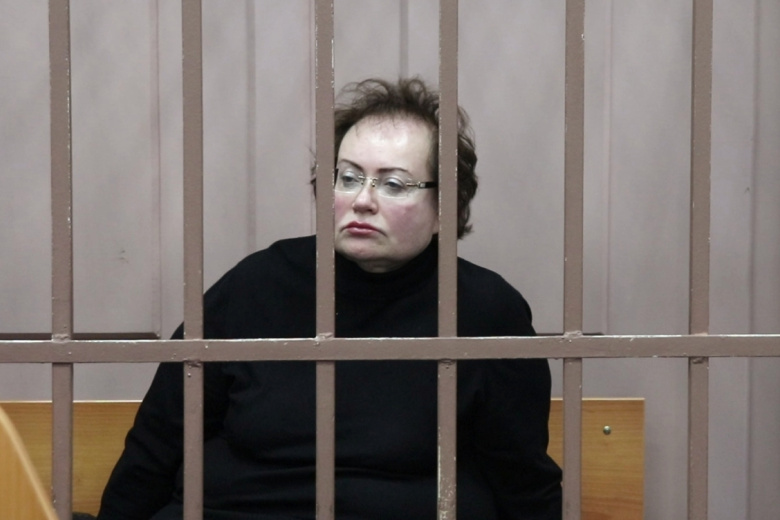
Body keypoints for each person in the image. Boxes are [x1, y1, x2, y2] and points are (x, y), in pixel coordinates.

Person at [98, 78, 562, 520]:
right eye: (348, 177)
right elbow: (158, 444)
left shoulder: (484, 310)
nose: (363, 200)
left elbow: (521, 479)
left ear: (447, 208)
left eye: (394, 184)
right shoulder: (256, 285)